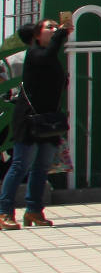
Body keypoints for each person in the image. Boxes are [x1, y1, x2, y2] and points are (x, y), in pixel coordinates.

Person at [2, 18, 68, 229]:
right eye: (49, 27)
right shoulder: (35, 54)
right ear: (37, 35)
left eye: (56, 26)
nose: (55, 29)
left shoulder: (51, 57)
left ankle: (34, 210)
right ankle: (4, 212)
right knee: (20, 165)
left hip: (48, 120)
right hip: (29, 119)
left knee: (41, 167)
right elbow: (47, 56)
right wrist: (61, 34)